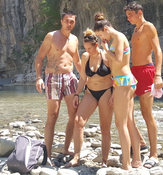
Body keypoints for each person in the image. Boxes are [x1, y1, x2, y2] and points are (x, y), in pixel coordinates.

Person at [94, 13, 142, 170]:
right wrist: (106, 50)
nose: (102, 38)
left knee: (120, 124)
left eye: (101, 34)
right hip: (123, 81)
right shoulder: (115, 39)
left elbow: (119, 59)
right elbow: (112, 62)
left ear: (106, 29)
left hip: (123, 82)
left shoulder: (119, 37)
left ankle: (126, 164)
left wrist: (106, 49)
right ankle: (137, 160)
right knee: (129, 122)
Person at [35, 10, 81, 164]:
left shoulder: (74, 39)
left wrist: (87, 78)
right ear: (61, 21)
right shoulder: (51, 36)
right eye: (67, 21)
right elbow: (40, 57)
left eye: (72, 21)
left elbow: (77, 61)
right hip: (53, 78)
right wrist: (39, 78)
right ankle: (47, 155)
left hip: (70, 78)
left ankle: (66, 148)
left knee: (74, 115)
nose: (69, 24)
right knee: (52, 116)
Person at [64, 29, 114, 168]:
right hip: (90, 92)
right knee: (78, 122)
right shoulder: (85, 56)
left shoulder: (107, 56)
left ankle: (104, 161)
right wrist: (76, 94)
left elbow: (116, 77)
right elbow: (83, 78)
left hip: (106, 92)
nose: (88, 51)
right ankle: (76, 157)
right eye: (85, 48)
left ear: (96, 45)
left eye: (90, 48)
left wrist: (114, 94)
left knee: (105, 128)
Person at [124, 1, 163, 169]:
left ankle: (154, 154)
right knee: (124, 108)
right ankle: (140, 142)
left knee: (147, 114)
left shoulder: (149, 27)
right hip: (133, 72)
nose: (128, 19)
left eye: (130, 15)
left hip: (147, 72)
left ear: (140, 12)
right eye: (127, 16)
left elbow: (158, 51)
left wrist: (158, 75)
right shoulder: (135, 30)